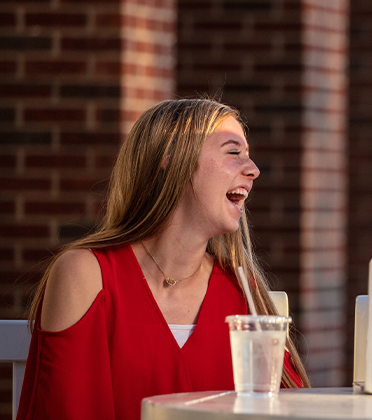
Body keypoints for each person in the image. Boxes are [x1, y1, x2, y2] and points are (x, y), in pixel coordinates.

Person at [17, 99, 309, 420]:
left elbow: (292, 411)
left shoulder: (241, 290)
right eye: (233, 152)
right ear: (172, 160)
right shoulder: (86, 276)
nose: (253, 169)